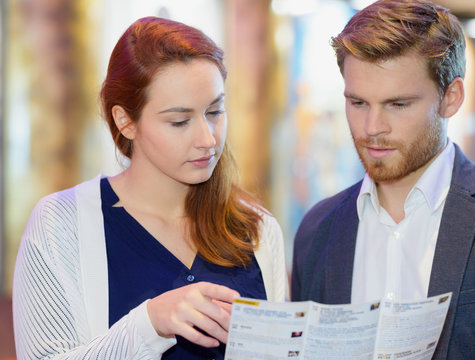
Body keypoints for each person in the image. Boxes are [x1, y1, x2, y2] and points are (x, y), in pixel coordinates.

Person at [13, 16, 288, 359]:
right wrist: (149, 324)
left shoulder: (258, 230)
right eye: (179, 121)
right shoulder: (60, 224)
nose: (207, 139)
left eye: (215, 111)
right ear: (125, 121)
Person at [291, 0, 475, 358]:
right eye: (358, 103)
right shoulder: (317, 230)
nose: (372, 128)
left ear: (450, 99)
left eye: (398, 104)